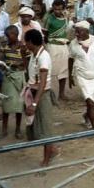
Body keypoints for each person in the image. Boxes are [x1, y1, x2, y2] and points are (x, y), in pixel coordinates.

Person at [23, 29, 59, 165]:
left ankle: (46, 159)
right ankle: (52, 150)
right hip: (34, 92)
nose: (25, 44)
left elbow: (42, 83)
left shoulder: (43, 57)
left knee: (45, 128)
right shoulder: (34, 55)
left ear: (31, 42)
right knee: (35, 126)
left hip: (41, 94)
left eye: (26, 42)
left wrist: (34, 104)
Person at [68, 21, 94, 129]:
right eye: (76, 32)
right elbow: (70, 59)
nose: (77, 34)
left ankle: (86, 115)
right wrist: (70, 76)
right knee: (90, 102)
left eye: (79, 32)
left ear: (86, 31)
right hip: (81, 75)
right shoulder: (73, 44)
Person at [0, 25, 26, 140]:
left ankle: (18, 129)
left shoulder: (23, 47)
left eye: (11, 36)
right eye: (7, 36)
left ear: (16, 34)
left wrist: (16, 64)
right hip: (8, 76)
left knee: (19, 104)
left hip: (19, 75)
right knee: (6, 103)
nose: (9, 38)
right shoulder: (4, 46)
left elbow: (25, 63)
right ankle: (4, 130)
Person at [43, 0, 73, 101]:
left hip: (63, 47)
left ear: (63, 9)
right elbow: (45, 34)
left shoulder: (66, 18)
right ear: (53, 8)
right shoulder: (49, 18)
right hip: (52, 46)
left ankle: (61, 94)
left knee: (63, 70)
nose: (57, 11)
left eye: (60, 9)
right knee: (50, 70)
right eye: (55, 9)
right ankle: (48, 94)